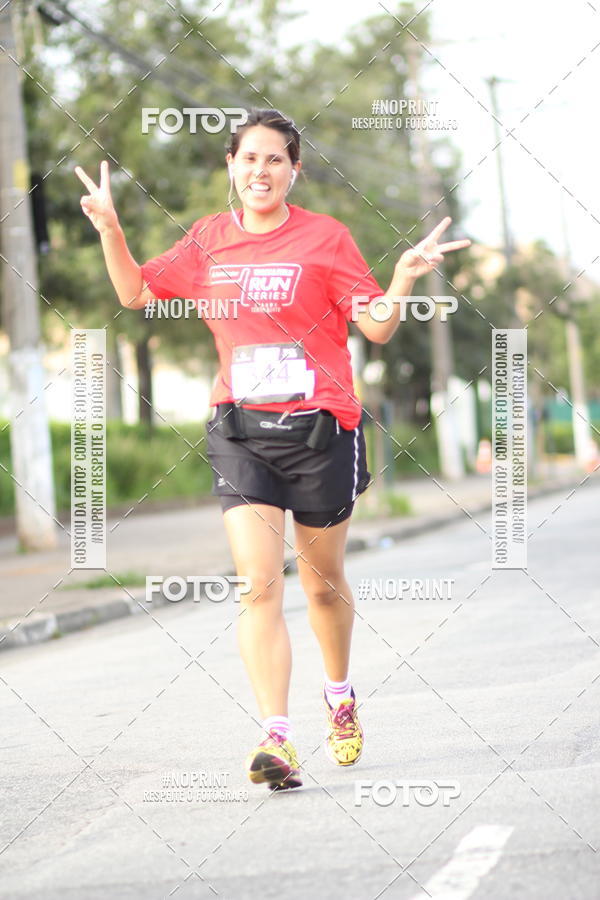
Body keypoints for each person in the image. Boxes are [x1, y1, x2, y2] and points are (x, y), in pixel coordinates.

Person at [75, 107, 471, 792]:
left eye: (275, 160)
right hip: (241, 432)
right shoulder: (205, 242)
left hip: (323, 432)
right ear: (231, 166)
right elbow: (136, 290)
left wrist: (403, 277)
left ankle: (340, 696)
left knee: (320, 587)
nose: (261, 170)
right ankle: (276, 738)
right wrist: (111, 228)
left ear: (294, 171)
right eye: (249, 158)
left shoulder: (326, 238)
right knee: (258, 584)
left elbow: (375, 327)